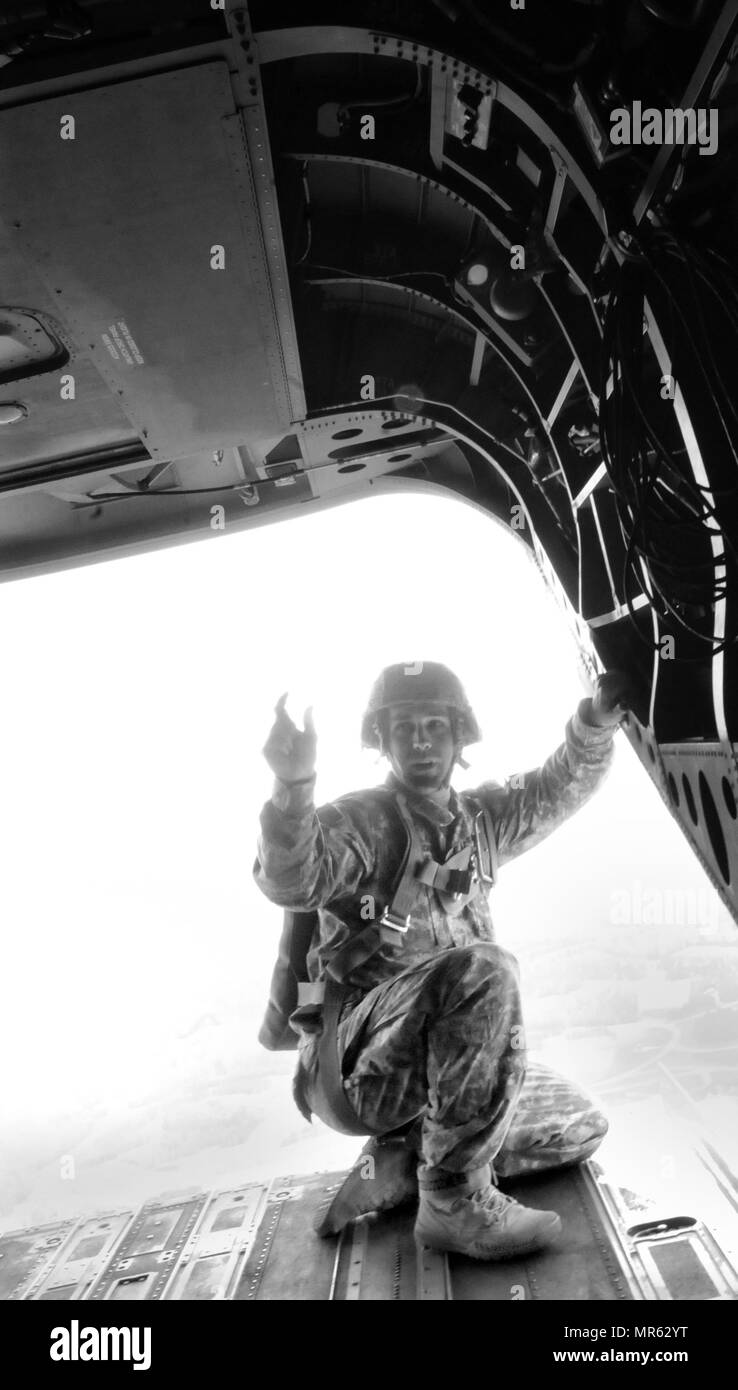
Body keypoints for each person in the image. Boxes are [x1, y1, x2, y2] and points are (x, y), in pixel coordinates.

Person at [254, 662, 631, 1260]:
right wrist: (294, 789)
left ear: (460, 738)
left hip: (430, 1073)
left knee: (580, 1126)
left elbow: (559, 787)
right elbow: (293, 880)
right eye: (405, 729)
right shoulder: (357, 823)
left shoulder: (481, 822)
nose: (422, 741)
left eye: (436, 726)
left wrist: (597, 721)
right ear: (383, 741)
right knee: (485, 969)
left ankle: (415, 1155)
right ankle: (452, 1199)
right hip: (354, 1066)